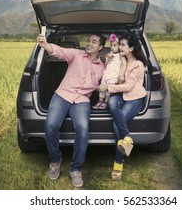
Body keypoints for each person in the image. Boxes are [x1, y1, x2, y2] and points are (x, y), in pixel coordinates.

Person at [37, 33, 106, 188]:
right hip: (63, 95)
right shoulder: (76, 54)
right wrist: (45, 44)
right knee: (50, 124)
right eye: (88, 40)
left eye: (94, 42)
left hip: (81, 100)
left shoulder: (102, 68)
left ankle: (75, 168)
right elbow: (58, 50)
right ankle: (55, 160)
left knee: (82, 128)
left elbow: (111, 81)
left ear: (100, 47)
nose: (89, 43)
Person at [97, 33, 147, 181]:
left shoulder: (137, 65)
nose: (120, 47)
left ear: (131, 48)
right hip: (122, 96)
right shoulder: (119, 59)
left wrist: (108, 87)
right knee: (112, 102)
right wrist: (107, 61)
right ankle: (128, 138)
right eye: (119, 44)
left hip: (135, 98)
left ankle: (118, 162)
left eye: (123, 45)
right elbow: (109, 71)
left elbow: (129, 86)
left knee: (116, 123)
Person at [92, 33, 126, 110]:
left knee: (108, 90)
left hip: (114, 75)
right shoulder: (110, 53)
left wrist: (121, 74)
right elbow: (105, 65)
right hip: (106, 74)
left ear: (119, 46)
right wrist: (107, 60)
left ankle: (105, 103)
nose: (112, 48)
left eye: (115, 45)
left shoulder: (121, 55)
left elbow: (124, 65)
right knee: (102, 88)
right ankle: (99, 102)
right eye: (111, 45)